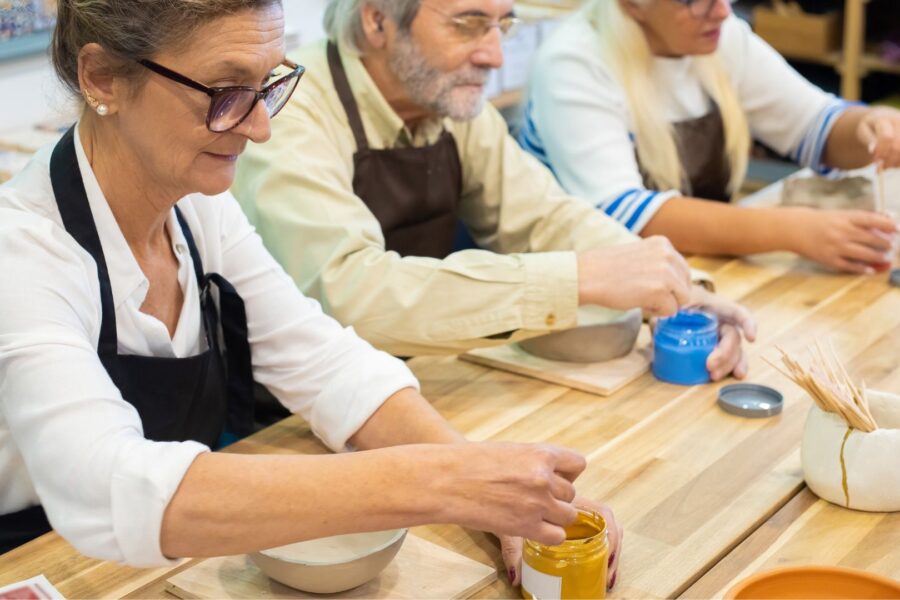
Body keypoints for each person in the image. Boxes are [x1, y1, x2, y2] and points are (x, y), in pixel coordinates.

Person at [0, 0, 622, 585]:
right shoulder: (23, 252)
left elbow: (326, 365)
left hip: (167, 556)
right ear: (104, 77)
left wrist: (491, 488)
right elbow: (108, 489)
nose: (261, 127)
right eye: (226, 92)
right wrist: (439, 482)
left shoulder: (195, 207)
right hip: (51, 566)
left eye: (268, 85)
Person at [232, 0, 756, 387]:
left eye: (502, 25)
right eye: (469, 25)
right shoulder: (292, 110)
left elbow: (543, 218)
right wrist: (581, 278)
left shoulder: (448, 102)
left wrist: (675, 288)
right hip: (287, 417)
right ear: (376, 20)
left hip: (413, 384)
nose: (494, 56)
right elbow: (350, 294)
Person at [519, 0, 900, 275]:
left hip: (685, 272)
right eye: (692, 2)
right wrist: (794, 230)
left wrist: (869, 123)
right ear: (633, 5)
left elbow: (816, 126)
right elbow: (628, 217)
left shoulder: (722, 37)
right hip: (577, 297)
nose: (720, 11)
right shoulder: (575, 63)